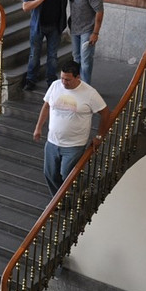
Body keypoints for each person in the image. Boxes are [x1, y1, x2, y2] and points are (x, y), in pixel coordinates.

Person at [32, 60, 112, 195]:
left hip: (74, 145)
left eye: (68, 80)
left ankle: (72, 194)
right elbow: (46, 106)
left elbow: (105, 113)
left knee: (67, 174)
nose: (64, 82)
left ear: (77, 77)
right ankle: (59, 200)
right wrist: (38, 127)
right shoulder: (55, 86)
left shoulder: (90, 93)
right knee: (49, 173)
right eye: (62, 78)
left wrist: (99, 136)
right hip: (52, 141)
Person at [22, 0, 71, 91]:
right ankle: (30, 79)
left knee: (52, 56)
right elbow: (26, 7)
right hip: (38, 27)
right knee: (34, 54)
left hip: (55, 26)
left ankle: (51, 81)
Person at [64, 0, 104, 85]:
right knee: (77, 58)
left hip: (88, 30)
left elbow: (99, 12)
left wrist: (95, 33)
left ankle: (86, 89)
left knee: (86, 61)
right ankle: (77, 85)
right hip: (74, 27)